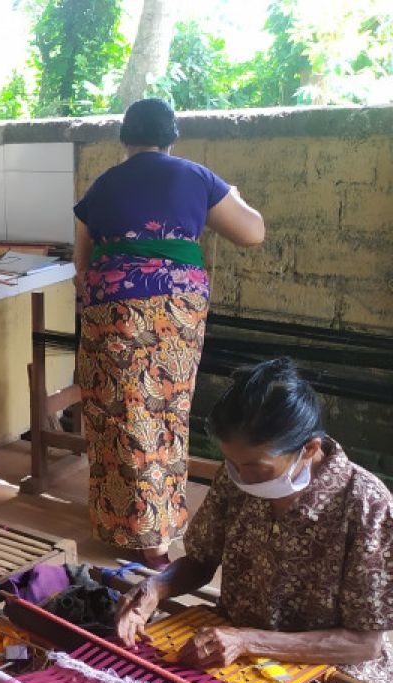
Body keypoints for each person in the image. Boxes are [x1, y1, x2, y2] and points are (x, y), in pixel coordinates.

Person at [115, 358, 392, 683]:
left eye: (256, 469)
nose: (241, 478)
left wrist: (248, 640)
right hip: (229, 649)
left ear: (309, 448)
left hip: (324, 677)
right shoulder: (237, 477)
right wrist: (154, 588)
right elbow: (200, 560)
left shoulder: (367, 505)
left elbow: (364, 643)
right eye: (232, 464)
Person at [73, 98, 266, 568]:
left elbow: (82, 265)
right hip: (174, 314)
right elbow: (252, 232)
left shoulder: (100, 187)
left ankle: (128, 525)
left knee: (117, 414)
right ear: (171, 137)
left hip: (110, 311)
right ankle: (154, 540)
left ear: (125, 139)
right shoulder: (196, 176)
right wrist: (232, 195)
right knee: (164, 413)